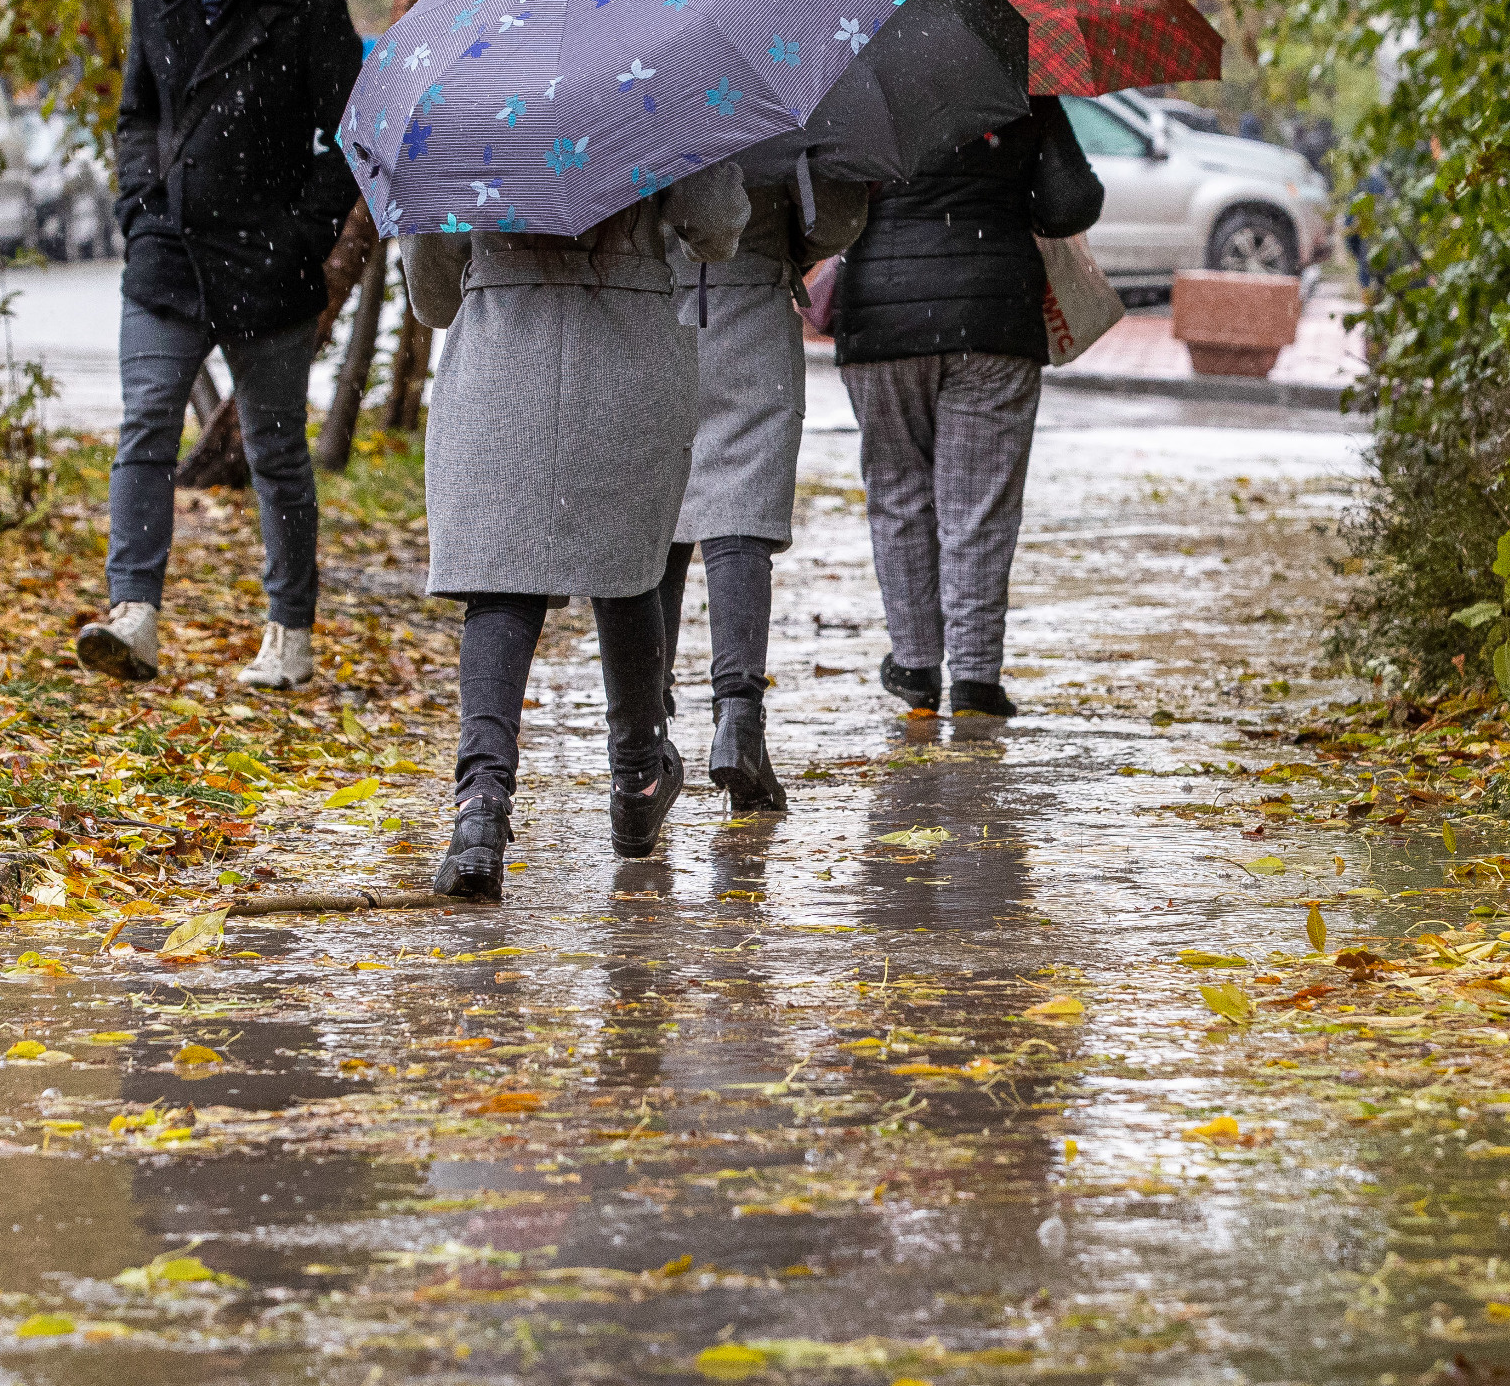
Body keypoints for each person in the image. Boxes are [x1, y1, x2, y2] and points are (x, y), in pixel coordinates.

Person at [408, 163, 751, 902]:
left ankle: (480, 808)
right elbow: (718, 230)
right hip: (626, 353)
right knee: (626, 565)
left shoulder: (468, 98)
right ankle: (638, 777)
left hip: (502, 357)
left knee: (499, 585)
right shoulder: (663, 76)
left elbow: (433, 293)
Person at [75, 0, 362, 690]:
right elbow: (136, 116)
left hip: (267, 264)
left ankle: (289, 630)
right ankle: (133, 614)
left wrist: (303, 235)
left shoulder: (309, 10)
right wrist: (139, 206)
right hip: (168, 255)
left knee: (276, 452)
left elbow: (349, 137)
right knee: (147, 425)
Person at [832, 100, 1104, 718]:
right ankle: (976, 679)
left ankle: (916, 663)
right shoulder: (1016, 77)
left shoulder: (857, 74)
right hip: (994, 313)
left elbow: (826, 213)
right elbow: (1070, 203)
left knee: (899, 492)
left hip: (884, 316)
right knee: (978, 504)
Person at [656, 163, 869, 813]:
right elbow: (837, 216)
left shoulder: (632, 83)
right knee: (739, 516)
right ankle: (739, 721)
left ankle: (646, 734)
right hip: (752, 301)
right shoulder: (782, 78)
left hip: (650, 309)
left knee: (655, 514)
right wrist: (785, 244)